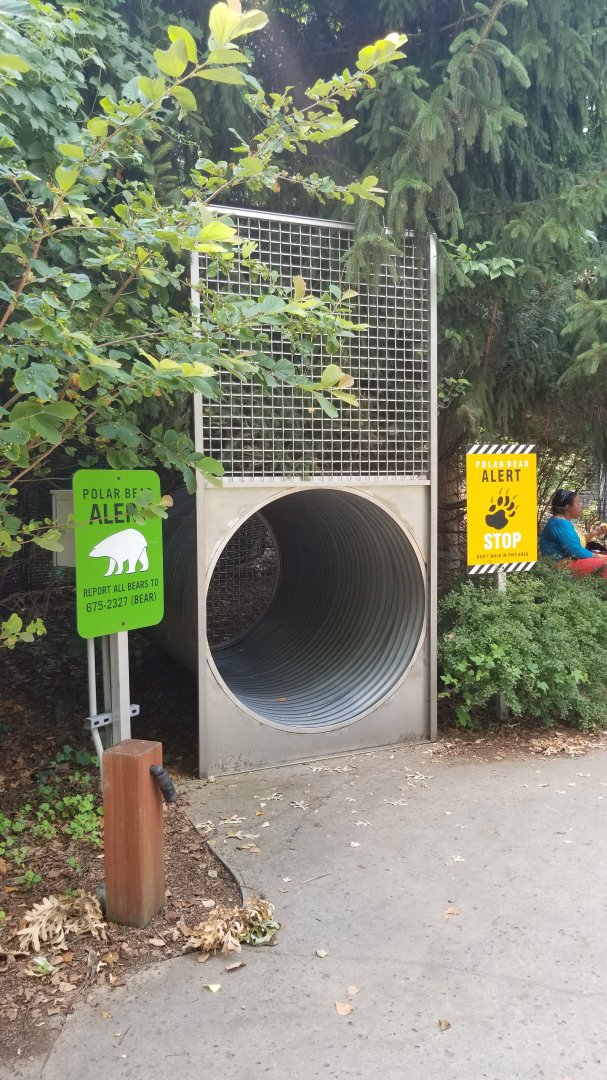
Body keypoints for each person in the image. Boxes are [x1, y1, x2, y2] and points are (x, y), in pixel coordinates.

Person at [540, 489, 607, 578]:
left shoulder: (566, 521)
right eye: (578, 503)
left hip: (569, 559)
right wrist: (598, 556)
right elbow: (576, 551)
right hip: (560, 564)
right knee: (603, 563)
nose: (581, 506)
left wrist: (595, 532)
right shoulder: (559, 523)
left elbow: (579, 542)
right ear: (568, 507)